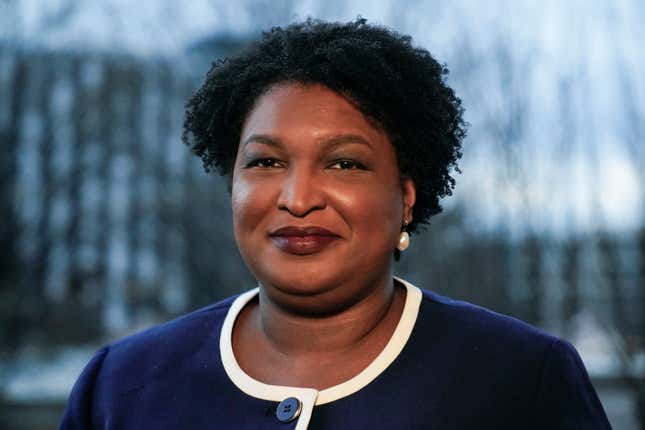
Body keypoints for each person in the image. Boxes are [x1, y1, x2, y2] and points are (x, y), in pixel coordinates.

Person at [60, 18, 612, 429]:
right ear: (233, 187)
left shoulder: (523, 381)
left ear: (406, 197)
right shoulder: (120, 386)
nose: (297, 199)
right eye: (266, 162)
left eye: (345, 163)